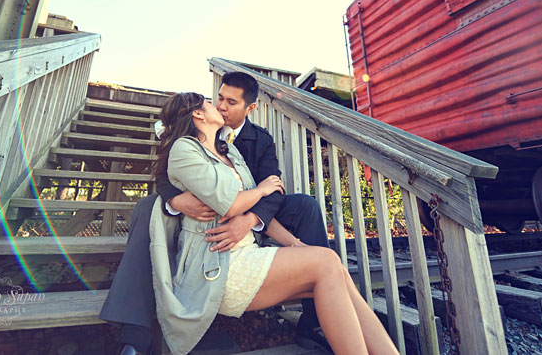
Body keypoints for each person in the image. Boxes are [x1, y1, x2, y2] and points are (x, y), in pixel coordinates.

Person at [148, 92, 399, 355]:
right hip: (217, 265)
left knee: (338, 270)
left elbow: (253, 212)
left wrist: (295, 243)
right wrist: (262, 189)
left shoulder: (229, 151)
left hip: (248, 254)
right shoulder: (184, 149)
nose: (218, 105)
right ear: (198, 114)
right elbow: (230, 204)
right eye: (210, 102)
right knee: (326, 263)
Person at [100, 72, 332, 354]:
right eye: (219, 98)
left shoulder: (261, 139)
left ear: (250, 108)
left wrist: (248, 221)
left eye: (231, 102)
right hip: (201, 210)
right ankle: (135, 334)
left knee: (306, 205)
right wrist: (176, 199)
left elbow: (273, 187)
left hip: (250, 210)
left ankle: (315, 321)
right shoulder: (192, 133)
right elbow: (164, 173)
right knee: (148, 207)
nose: (221, 106)